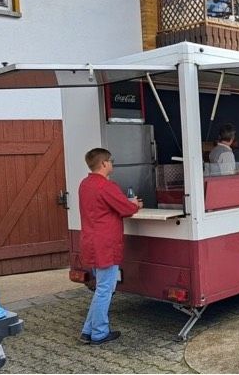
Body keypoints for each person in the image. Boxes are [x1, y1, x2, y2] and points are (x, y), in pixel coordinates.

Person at [78, 148, 142, 345]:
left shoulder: (85, 184)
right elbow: (126, 209)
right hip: (105, 244)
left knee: (101, 288)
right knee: (105, 289)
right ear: (104, 164)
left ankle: (88, 331)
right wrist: (135, 204)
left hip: (91, 241)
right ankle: (99, 333)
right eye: (111, 161)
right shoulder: (106, 186)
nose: (112, 164)